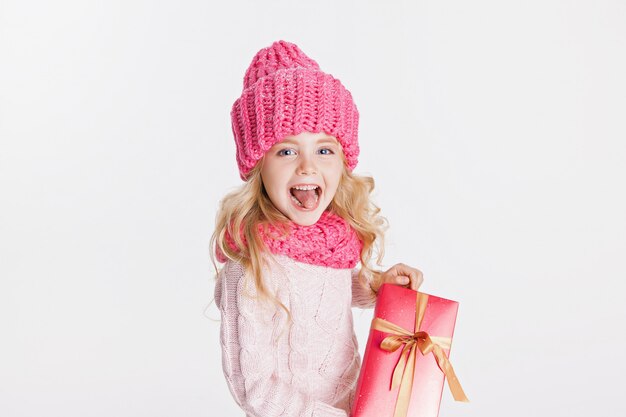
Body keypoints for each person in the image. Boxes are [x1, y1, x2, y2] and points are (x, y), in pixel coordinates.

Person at [211, 40, 424, 417]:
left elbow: (325, 292)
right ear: (258, 165)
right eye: (287, 150)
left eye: (324, 150)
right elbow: (255, 389)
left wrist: (378, 286)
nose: (308, 167)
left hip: (355, 404)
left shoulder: (329, 243)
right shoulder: (250, 265)